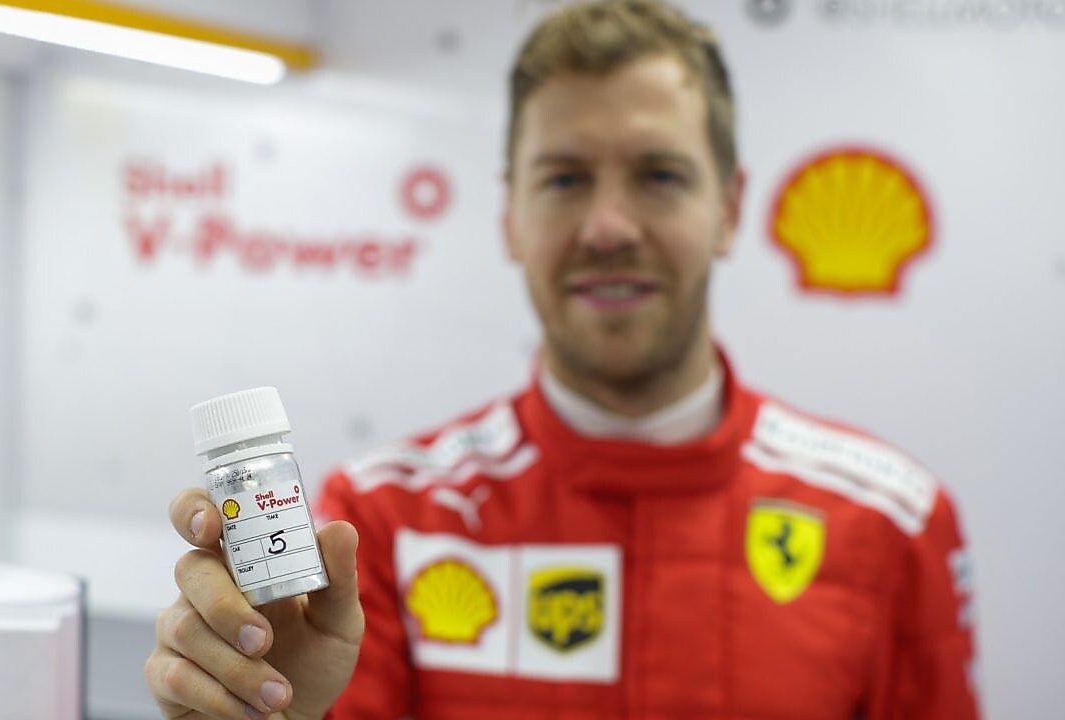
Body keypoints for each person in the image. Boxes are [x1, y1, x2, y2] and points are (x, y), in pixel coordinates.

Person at [144, 1, 981, 718]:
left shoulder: (893, 524)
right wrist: (273, 710)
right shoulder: (384, 521)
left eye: (658, 175)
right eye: (566, 179)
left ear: (729, 209)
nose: (608, 227)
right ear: (510, 216)